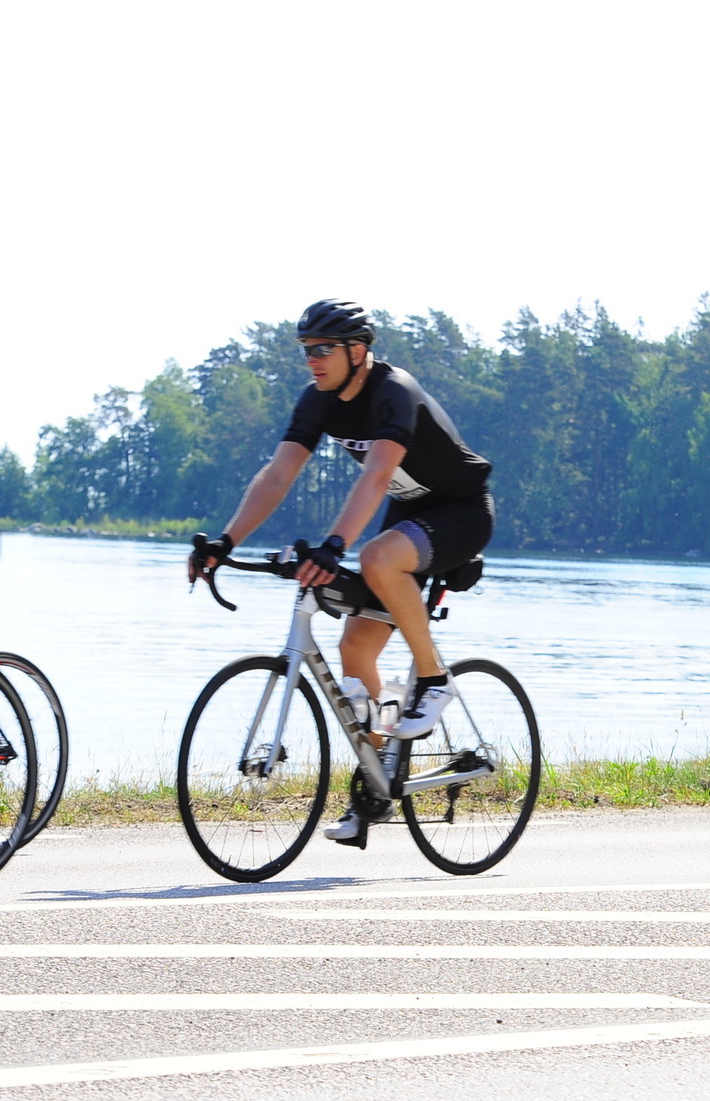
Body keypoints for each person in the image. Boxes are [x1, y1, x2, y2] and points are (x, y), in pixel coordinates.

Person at [192, 299, 495, 842]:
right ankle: (377, 783)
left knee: (376, 558)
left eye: (323, 349)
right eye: (306, 350)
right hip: (409, 514)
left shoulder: (393, 391)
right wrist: (225, 541)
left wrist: (334, 545)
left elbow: (377, 475)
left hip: (461, 512)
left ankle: (433, 680)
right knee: (355, 648)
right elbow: (278, 474)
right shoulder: (319, 399)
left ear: (358, 351)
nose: (312, 359)